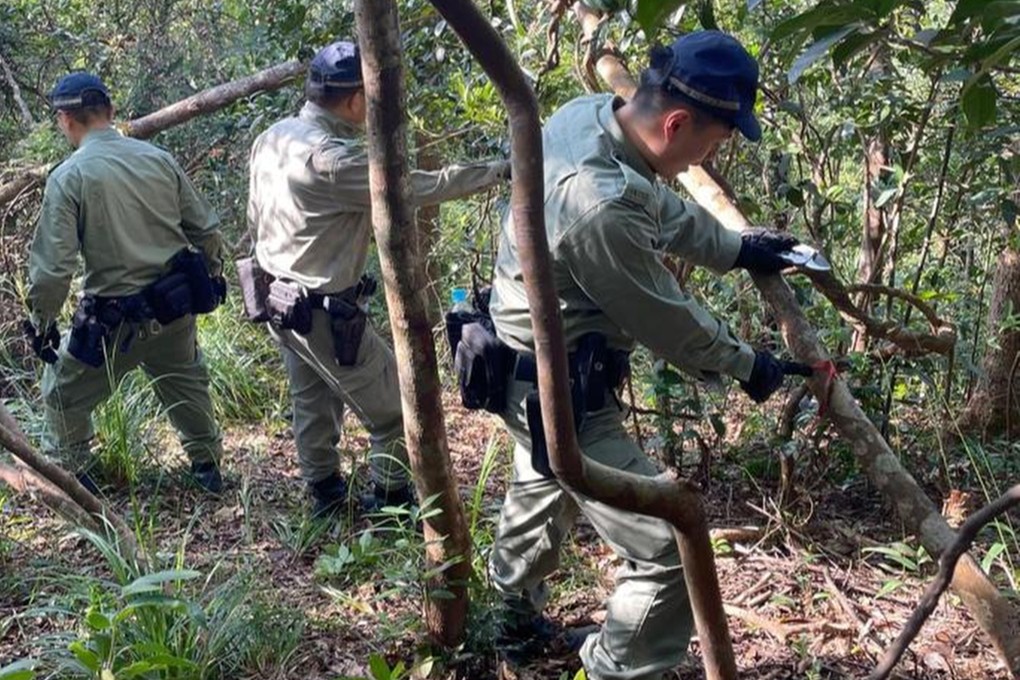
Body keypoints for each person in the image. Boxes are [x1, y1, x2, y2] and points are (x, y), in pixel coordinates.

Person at [486, 31, 797, 679]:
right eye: (712, 143)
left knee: (545, 481)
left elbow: (659, 206)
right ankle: (615, 671)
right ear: (678, 122)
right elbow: (664, 317)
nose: (703, 160)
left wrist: (738, 249)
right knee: (668, 552)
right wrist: (748, 364)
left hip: (516, 357)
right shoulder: (597, 204)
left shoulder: (590, 118)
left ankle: (505, 617)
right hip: (555, 386)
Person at [246, 40, 510, 518]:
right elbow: (417, 188)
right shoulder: (332, 163)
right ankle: (391, 501)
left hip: (278, 300)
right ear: (354, 101)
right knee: (393, 407)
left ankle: (323, 494)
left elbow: (255, 218)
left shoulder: (273, 138)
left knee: (313, 399)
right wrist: (498, 171)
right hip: (321, 311)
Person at [25, 72, 227, 494]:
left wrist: (42, 325)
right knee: (186, 382)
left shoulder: (69, 176)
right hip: (174, 309)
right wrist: (213, 272)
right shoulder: (158, 159)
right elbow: (206, 229)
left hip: (113, 325)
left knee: (61, 391)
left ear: (65, 120)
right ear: (111, 112)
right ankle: (208, 470)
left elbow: (51, 270)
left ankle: (76, 480)